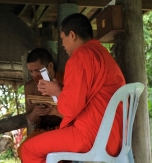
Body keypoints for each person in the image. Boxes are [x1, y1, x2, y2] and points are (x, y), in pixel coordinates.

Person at [20, 13, 126, 163]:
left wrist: (56, 91)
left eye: (63, 38)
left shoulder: (80, 57)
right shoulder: (103, 54)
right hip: (116, 136)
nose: (62, 45)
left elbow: (70, 108)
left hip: (93, 136)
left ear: (72, 35)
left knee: (28, 149)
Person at [17, 48, 64, 160]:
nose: (34, 75)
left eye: (38, 71)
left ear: (50, 67)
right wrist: (36, 112)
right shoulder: (30, 86)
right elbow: (31, 119)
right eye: (31, 71)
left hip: (64, 128)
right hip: (43, 129)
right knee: (22, 150)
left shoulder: (65, 79)